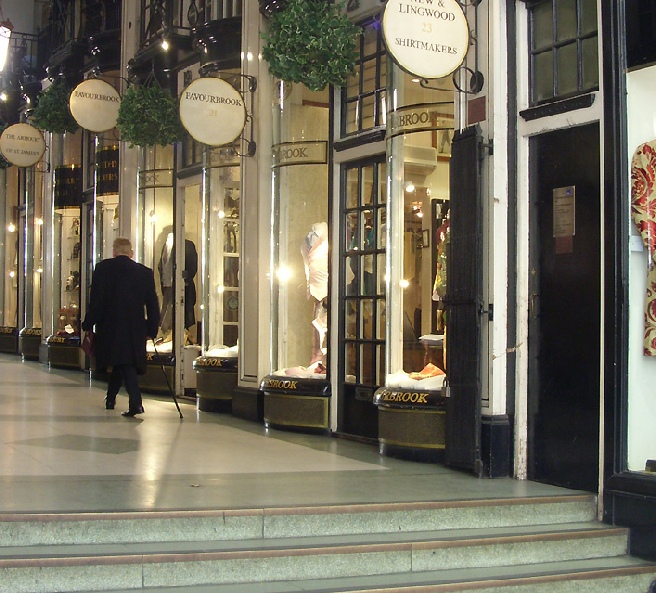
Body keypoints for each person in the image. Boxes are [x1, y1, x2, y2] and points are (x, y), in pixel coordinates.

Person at [82, 237, 160, 417]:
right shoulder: (144, 273)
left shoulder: (102, 269)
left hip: (110, 325)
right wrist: (151, 329)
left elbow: (97, 301)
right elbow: (152, 305)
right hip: (135, 327)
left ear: (114, 252)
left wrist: (88, 323)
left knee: (123, 361)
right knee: (124, 360)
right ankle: (111, 398)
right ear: (131, 253)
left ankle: (136, 402)